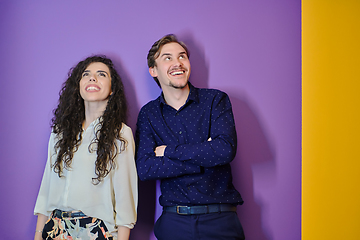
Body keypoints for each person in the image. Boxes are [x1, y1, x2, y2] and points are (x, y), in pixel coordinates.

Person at [135, 34, 245, 240]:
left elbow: (224, 150)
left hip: (220, 220)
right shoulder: (148, 114)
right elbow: (145, 168)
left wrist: (168, 151)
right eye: (167, 58)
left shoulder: (215, 100)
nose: (177, 63)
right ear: (153, 70)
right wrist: (203, 158)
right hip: (174, 223)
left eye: (182, 56)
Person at [34, 55, 137, 240]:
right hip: (55, 228)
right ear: (78, 86)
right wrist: (38, 234)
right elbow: (46, 187)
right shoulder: (60, 131)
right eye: (86, 74)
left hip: (96, 230)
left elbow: (125, 198)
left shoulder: (120, 133)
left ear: (113, 89)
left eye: (101, 74)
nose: (92, 78)